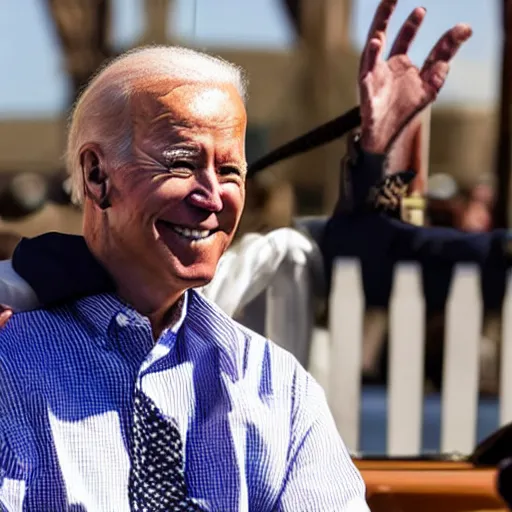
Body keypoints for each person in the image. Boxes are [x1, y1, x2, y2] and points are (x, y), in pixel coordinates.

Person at [0, 3, 473, 508]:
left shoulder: (278, 388)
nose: (211, 196)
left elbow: (365, 245)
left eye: (230, 172)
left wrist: (381, 156)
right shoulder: (13, 365)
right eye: (182, 163)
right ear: (97, 176)